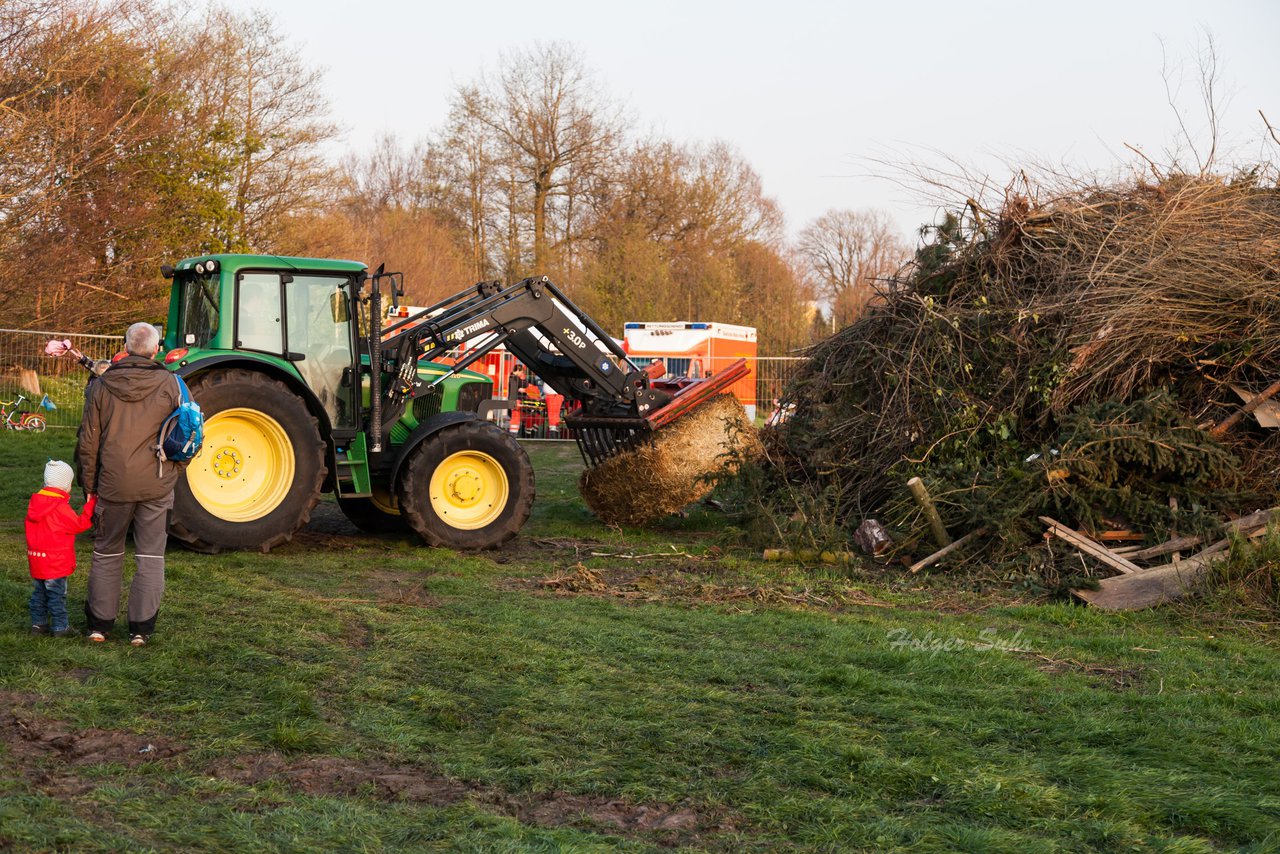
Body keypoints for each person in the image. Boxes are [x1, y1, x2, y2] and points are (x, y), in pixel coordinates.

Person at [76, 322, 187, 646]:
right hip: (157, 483)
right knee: (151, 556)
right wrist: (175, 470)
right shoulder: (173, 384)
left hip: (112, 484)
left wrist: (90, 486)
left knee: (106, 552)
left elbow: (88, 441)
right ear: (155, 350)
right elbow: (192, 432)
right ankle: (141, 630)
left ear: (125, 347)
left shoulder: (102, 384)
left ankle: (99, 626)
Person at [25, 460, 96, 637]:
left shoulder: (35, 504)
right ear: (66, 485)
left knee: (39, 594)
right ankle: (60, 627)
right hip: (55, 562)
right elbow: (79, 525)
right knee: (56, 595)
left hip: (37, 559)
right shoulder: (60, 507)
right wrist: (91, 505)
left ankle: (38, 625)